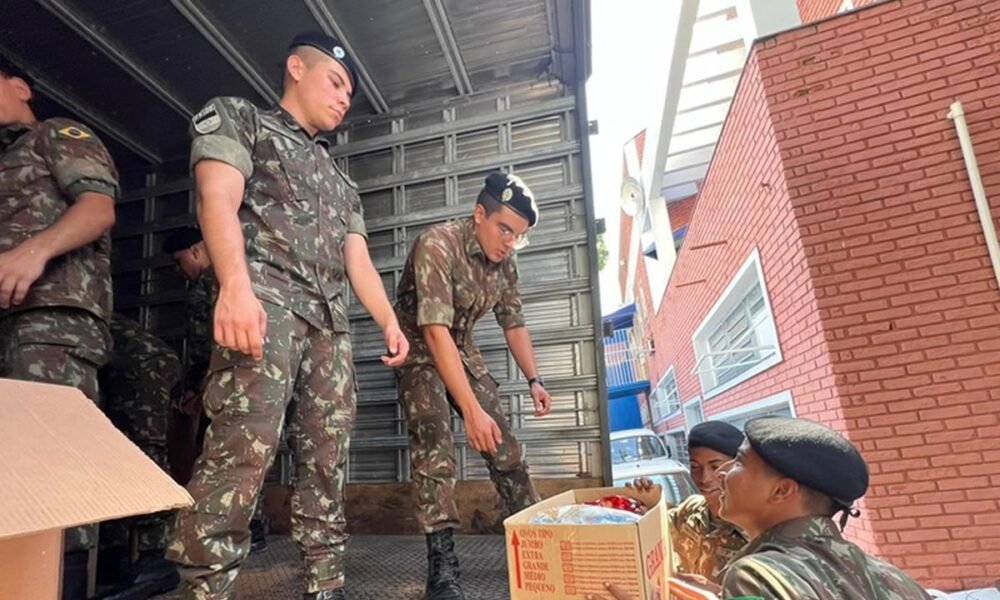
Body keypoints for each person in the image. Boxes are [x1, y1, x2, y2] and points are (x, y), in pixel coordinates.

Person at [162, 32, 409, 600]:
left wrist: (389, 321)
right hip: (265, 308)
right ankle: (204, 589)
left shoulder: (341, 181)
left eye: (350, 90)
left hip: (330, 330)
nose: (346, 98)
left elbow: (359, 262)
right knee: (240, 457)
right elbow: (216, 197)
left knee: (327, 463)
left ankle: (326, 584)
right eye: (336, 81)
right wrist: (235, 287)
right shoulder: (242, 120)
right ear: (296, 68)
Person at [394, 171, 553, 600]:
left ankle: (538, 543)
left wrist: (535, 379)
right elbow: (433, 331)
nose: (509, 243)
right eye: (504, 229)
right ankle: (442, 568)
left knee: (506, 447)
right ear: (479, 213)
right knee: (435, 443)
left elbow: (513, 323)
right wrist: (469, 409)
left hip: (459, 345)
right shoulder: (437, 244)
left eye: (518, 236)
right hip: (420, 346)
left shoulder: (505, 264)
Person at [0, 53, 118, 599]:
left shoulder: (54, 134)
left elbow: (97, 208)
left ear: (20, 86)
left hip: (52, 323)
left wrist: (33, 251)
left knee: (55, 478)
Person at [589, 417, 932, 600]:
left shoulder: (757, 576)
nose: (719, 477)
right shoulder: (889, 576)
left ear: (781, 490)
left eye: (737, 463)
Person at [162, 227, 268, 554]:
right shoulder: (243, 275)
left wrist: (191, 387)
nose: (182, 272)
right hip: (257, 378)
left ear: (195, 252)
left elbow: (199, 346)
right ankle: (255, 525)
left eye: (180, 262)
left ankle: (217, 535)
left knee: (213, 455)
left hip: (221, 382)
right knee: (251, 452)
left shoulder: (204, 286)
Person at [98, 315, 183, 599]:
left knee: (145, 452)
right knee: (113, 450)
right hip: (126, 368)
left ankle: (156, 557)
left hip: (148, 367)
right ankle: (115, 556)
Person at [647, 421, 748, 583]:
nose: (704, 478)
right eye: (695, 467)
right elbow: (653, 531)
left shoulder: (756, 531)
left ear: (738, 467)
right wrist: (649, 500)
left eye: (715, 466)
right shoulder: (690, 510)